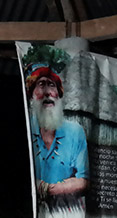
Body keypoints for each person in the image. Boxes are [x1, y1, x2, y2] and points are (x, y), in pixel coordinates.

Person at [26, 60, 90, 208]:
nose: (48, 92)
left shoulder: (75, 132)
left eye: (52, 85)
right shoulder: (27, 129)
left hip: (68, 214)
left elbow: (84, 180)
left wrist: (47, 188)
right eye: (41, 85)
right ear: (31, 95)